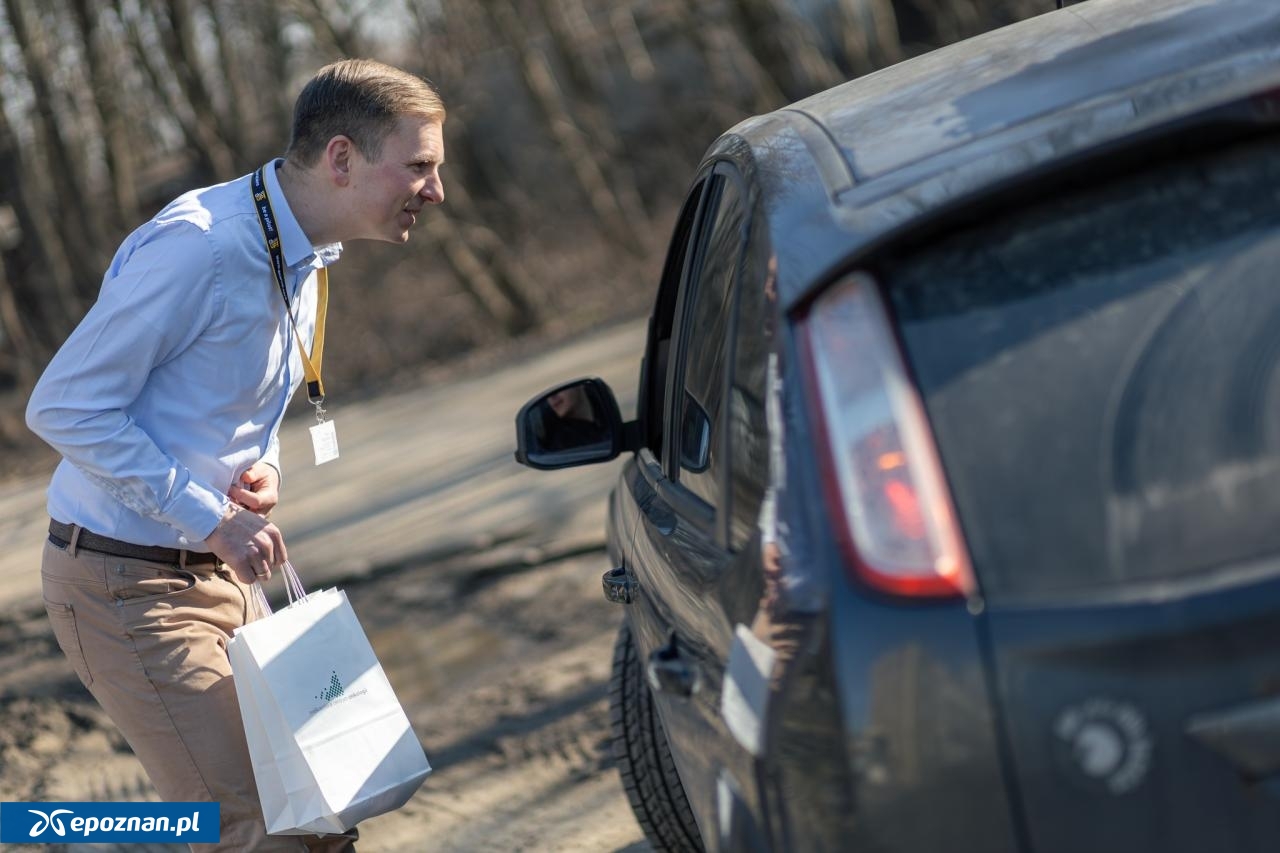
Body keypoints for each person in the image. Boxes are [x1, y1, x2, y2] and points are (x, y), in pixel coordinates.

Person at [25, 58, 445, 852]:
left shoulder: (308, 253)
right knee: (253, 832)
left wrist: (262, 472)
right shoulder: (199, 249)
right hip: (126, 587)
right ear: (343, 158)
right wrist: (211, 515)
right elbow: (64, 405)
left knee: (322, 809)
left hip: (226, 574)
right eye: (419, 165)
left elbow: (231, 410)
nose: (436, 190)